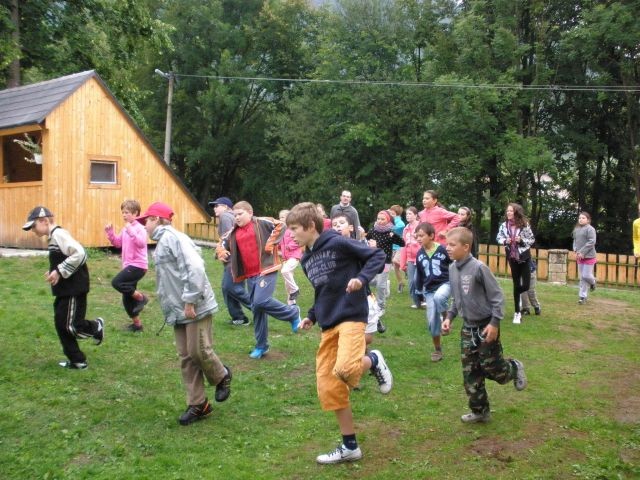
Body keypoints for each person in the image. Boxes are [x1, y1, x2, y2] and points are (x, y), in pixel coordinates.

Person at [286, 202, 392, 465]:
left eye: (295, 229)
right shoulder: (306, 259)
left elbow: (376, 256)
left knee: (346, 369)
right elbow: (323, 291)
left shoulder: (338, 242)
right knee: (329, 386)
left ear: (311, 226)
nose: (291, 234)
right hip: (328, 323)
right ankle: (350, 447)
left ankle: (373, 360)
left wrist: (361, 279)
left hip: (352, 315)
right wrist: (311, 315)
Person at [137, 202, 232, 425]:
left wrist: (190, 300)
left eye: (147, 221)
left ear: (157, 219)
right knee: (186, 357)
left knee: (198, 351)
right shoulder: (162, 242)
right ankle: (199, 404)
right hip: (179, 309)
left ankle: (222, 375)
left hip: (194, 305)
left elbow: (195, 268)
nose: (144, 226)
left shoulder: (173, 238)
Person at [442, 227, 527, 424]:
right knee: (470, 372)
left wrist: (495, 323)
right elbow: (456, 299)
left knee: (493, 370)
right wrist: (449, 317)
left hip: (486, 327)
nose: (448, 248)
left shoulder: (479, 268)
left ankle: (514, 368)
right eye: (447, 244)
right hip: (467, 329)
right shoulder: (452, 268)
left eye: (452, 245)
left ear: (466, 247)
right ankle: (480, 411)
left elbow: (497, 298)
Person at [216, 201, 301, 359]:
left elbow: (281, 225)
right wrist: (221, 251)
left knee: (261, 301)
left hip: (267, 269)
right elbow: (222, 242)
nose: (237, 218)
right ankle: (262, 346)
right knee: (257, 308)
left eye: (240, 214)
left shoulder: (261, 222)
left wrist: (271, 242)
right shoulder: (234, 231)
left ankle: (293, 314)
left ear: (250, 213)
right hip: (250, 275)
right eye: (235, 215)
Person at [22, 206, 104, 369]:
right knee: (61, 324)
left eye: (33, 226)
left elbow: (80, 253)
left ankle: (97, 327)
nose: (32, 230)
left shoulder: (59, 234)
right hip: (64, 289)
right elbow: (64, 257)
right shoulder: (53, 237)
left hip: (73, 289)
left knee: (71, 326)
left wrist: (59, 270)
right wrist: (54, 271)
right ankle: (77, 361)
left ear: (44, 221)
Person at [331, 213, 381, 348]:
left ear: (351, 227)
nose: (338, 226)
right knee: (348, 340)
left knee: (366, 339)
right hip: (341, 300)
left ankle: (372, 358)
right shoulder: (331, 250)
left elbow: (378, 264)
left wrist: (372, 251)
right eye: (334, 225)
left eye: (341, 223)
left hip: (364, 297)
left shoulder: (359, 246)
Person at [105, 199, 148, 332]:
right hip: (128, 266)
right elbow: (118, 243)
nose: (124, 215)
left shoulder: (140, 228)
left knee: (116, 282)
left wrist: (130, 230)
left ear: (135, 213)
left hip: (138, 266)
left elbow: (141, 243)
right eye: (123, 212)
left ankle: (141, 298)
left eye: (127, 212)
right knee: (127, 297)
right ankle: (137, 325)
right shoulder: (125, 229)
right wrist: (110, 232)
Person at [209, 196, 252, 326]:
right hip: (234, 259)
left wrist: (223, 251)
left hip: (235, 259)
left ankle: (259, 308)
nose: (215, 208)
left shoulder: (226, 216)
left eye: (217, 205)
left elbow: (230, 235)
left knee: (231, 287)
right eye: (214, 206)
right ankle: (238, 317)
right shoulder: (229, 217)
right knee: (227, 288)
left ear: (226, 207)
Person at [414, 222, 452, 362]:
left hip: (445, 284)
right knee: (432, 321)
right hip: (429, 290)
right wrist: (419, 291)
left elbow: (453, 264)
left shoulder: (442, 249)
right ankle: (437, 350)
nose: (418, 239)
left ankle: (447, 318)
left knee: (439, 297)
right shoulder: (419, 254)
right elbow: (419, 274)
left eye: (421, 236)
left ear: (431, 236)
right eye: (417, 236)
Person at [496, 203, 535, 324]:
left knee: (526, 286)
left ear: (516, 213)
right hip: (512, 258)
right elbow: (498, 238)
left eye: (511, 211)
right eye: (507, 211)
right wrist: (505, 241)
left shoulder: (524, 225)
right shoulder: (504, 225)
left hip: (524, 258)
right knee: (516, 283)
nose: (508, 213)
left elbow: (531, 239)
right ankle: (517, 312)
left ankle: (517, 292)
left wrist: (522, 240)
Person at [365, 210, 405, 330]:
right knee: (368, 281)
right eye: (378, 219)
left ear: (388, 221)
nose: (380, 221)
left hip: (385, 262)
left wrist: (395, 236)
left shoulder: (390, 233)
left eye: (383, 219)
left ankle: (381, 306)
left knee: (380, 286)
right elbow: (366, 240)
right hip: (373, 261)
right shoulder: (373, 231)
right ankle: (385, 284)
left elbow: (402, 243)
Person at [399, 206, 422, 308]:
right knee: (411, 282)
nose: (407, 216)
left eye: (410, 214)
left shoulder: (421, 226)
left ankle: (423, 299)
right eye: (406, 214)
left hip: (421, 258)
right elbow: (403, 246)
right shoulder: (406, 229)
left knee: (419, 280)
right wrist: (402, 263)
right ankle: (417, 303)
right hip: (410, 259)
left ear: (416, 215)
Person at [572, 211, 597, 305]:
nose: (581, 219)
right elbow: (575, 241)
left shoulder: (590, 229)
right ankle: (582, 297)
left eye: (583, 218)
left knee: (586, 275)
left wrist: (582, 252)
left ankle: (593, 282)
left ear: (588, 220)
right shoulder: (576, 229)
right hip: (579, 256)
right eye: (580, 218)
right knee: (582, 277)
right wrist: (575, 250)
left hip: (589, 256)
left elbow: (592, 242)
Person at [279, 209, 303, 305]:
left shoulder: (292, 229)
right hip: (286, 258)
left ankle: (295, 289)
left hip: (294, 256)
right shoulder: (281, 231)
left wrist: (289, 246)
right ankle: (291, 303)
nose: (280, 219)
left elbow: (298, 240)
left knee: (285, 271)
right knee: (287, 281)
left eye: (283, 217)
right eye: (280, 217)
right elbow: (280, 244)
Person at [389, 205, 406, 293]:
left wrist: (389, 227)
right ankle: (401, 283)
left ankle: (407, 270)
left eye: (392, 211)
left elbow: (394, 228)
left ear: (396, 213)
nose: (390, 212)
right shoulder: (390, 220)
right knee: (396, 267)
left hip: (400, 246)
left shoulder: (400, 222)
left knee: (395, 261)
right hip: (392, 246)